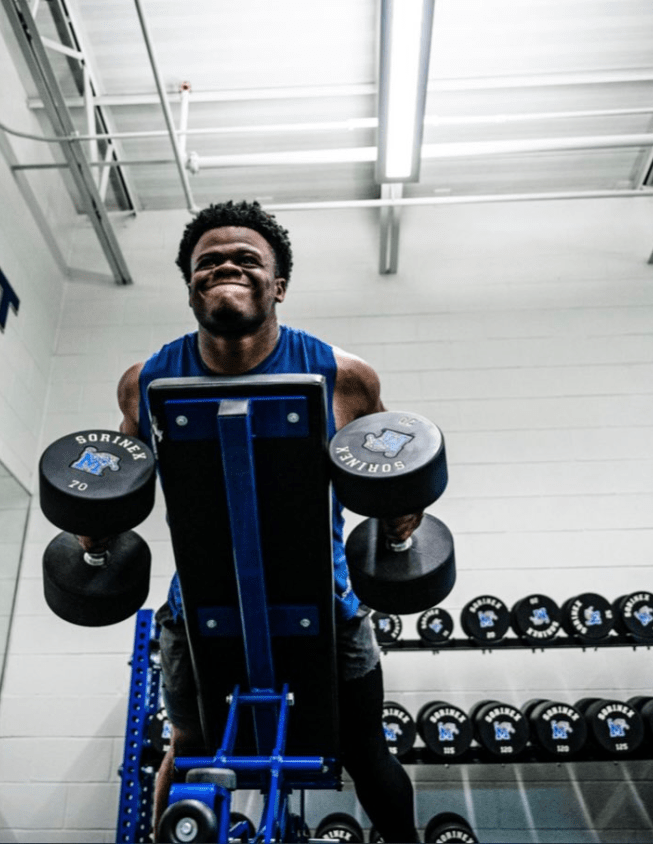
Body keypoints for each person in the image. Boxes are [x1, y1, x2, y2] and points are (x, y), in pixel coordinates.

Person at [110, 200, 420, 842]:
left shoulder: (344, 377)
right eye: (208, 261)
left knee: (364, 750)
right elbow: (118, 491)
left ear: (277, 285)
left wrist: (401, 522)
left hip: (329, 601)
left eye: (246, 258)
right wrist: (94, 535)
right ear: (191, 286)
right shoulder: (146, 380)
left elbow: (388, 481)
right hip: (197, 608)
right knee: (190, 749)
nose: (226, 265)